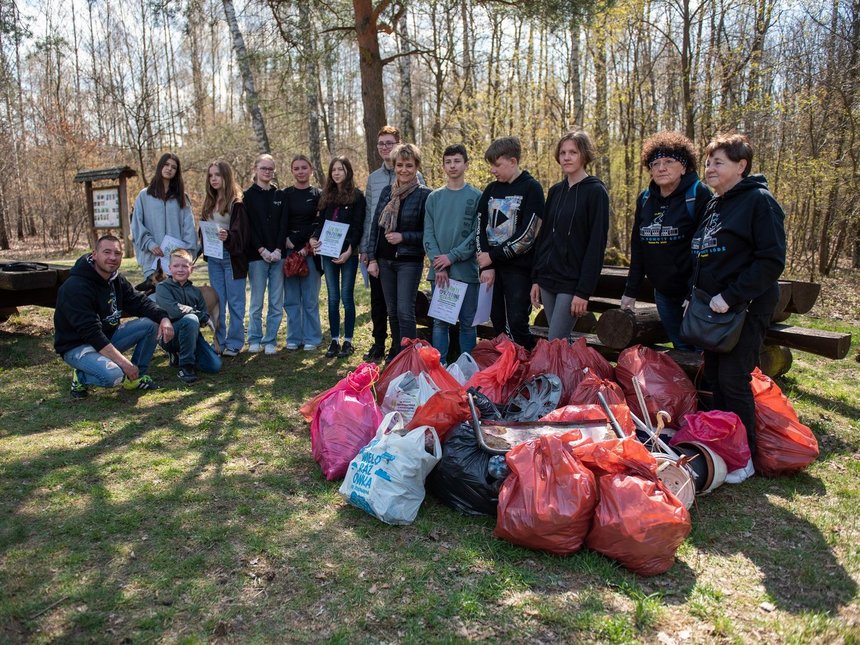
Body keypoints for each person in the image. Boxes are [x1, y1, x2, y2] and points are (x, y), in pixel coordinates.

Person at [692, 133, 786, 482]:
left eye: (718, 162)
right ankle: (723, 447)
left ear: (741, 166)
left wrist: (731, 296)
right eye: (708, 162)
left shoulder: (759, 201)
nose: (710, 168)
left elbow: (771, 260)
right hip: (713, 310)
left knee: (733, 379)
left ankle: (745, 458)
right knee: (716, 377)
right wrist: (694, 294)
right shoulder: (715, 204)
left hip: (745, 307)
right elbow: (705, 255)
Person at [621, 131, 712, 349]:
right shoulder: (645, 199)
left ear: (684, 167)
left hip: (694, 293)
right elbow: (638, 248)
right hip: (662, 292)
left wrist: (693, 292)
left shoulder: (698, 195)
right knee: (680, 347)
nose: (661, 168)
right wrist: (630, 291)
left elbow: (707, 251)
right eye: (655, 163)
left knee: (702, 350)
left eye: (669, 161)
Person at [54, 235, 174, 398]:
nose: (112, 257)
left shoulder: (116, 279)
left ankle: (135, 378)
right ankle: (81, 376)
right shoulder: (75, 287)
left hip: (106, 338)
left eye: (117, 253)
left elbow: (139, 302)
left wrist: (164, 318)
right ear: (94, 254)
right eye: (107, 252)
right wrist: (124, 363)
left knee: (151, 324)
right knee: (114, 375)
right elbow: (91, 333)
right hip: (77, 346)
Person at [531, 130, 609, 341]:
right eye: (563, 152)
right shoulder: (555, 191)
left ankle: (563, 365)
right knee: (560, 343)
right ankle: (570, 364)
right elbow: (544, 238)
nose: (566, 157)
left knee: (555, 340)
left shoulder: (596, 192)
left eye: (573, 152)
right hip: (547, 279)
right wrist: (536, 279)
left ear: (584, 155)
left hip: (572, 283)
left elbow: (596, 245)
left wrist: (583, 292)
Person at [360, 125, 425, 361]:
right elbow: (375, 224)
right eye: (400, 165)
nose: (404, 170)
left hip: (408, 260)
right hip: (384, 260)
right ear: (395, 166)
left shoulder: (424, 194)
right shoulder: (387, 191)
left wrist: (403, 237)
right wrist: (372, 257)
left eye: (409, 166)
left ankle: (410, 357)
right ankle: (397, 355)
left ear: (416, 167)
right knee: (392, 312)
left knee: (405, 311)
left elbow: (426, 234)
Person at [476, 136, 545, 350]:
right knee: (497, 322)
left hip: (519, 270)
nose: (493, 170)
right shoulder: (490, 190)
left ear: (513, 162)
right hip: (492, 270)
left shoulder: (532, 189)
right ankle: (504, 365)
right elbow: (479, 227)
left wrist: (493, 256)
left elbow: (528, 235)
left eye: (497, 165)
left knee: (516, 322)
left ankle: (524, 362)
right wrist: (486, 265)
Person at [423, 143, 482, 362]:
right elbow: (428, 234)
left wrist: (452, 257)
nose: (452, 166)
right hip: (440, 273)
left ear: (466, 164)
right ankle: (440, 366)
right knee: (440, 323)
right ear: (443, 166)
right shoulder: (434, 198)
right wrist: (439, 264)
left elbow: (476, 234)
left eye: (457, 161)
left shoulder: (477, 196)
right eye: (448, 162)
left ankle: (467, 368)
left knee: (468, 323)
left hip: (466, 271)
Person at [310, 156, 366, 359]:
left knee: (346, 297)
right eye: (333, 170)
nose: (336, 173)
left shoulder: (357, 196)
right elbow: (320, 224)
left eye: (340, 169)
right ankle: (334, 340)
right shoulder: (326, 195)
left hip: (348, 253)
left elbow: (358, 226)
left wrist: (350, 250)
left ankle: (348, 341)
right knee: (333, 298)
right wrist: (313, 238)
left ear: (348, 171)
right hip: (328, 252)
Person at [199, 159, 249, 357]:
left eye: (217, 175)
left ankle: (235, 342)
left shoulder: (236, 202)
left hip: (232, 258)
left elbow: (242, 234)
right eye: (210, 175)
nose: (213, 179)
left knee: (236, 302)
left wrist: (228, 236)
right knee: (217, 303)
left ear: (226, 176)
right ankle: (219, 343)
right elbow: (203, 229)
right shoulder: (209, 201)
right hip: (214, 258)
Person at [155, 249, 222, 383]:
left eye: (185, 266)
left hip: (192, 335)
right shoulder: (162, 287)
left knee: (214, 366)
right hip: (169, 336)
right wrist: (195, 313)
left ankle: (183, 355)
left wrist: (195, 313)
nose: (180, 269)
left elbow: (205, 317)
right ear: (169, 268)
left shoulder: (196, 291)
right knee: (191, 319)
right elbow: (174, 311)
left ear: (191, 269)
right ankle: (186, 367)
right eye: (176, 266)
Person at [245, 154, 288, 355]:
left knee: (276, 302)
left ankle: (270, 339)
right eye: (264, 168)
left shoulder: (280, 195)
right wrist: (261, 249)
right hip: (256, 256)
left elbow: (283, 224)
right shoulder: (247, 196)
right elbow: (248, 227)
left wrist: (278, 249)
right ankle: (254, 338)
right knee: (256, 302)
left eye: (271, 169)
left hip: (278, 256)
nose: (267, 172)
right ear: (255, 169)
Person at [131, 153, 198, 279]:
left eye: (174, 167)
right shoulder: (144, 196)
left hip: (177, 263)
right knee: (154, 292)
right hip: (152, 259)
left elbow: (189, 228)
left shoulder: (182, 197)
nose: (169, 169)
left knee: (176, 292)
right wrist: (149, 244)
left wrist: (187, 254)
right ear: (160, 166)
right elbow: (137, 225)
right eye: (166, 165)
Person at [283, 155, 323, 351]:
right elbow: (280, 221)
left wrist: (303, 243)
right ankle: (294, 337)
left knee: (310, 298)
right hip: (289, 251)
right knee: (291, 298)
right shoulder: (285, 194)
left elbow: (318, 222)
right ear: (292, 171)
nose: (300, 171)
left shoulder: (319, 194)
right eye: (296, 168)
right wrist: (287, 240)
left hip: (310, 251)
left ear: (311, 170)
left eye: (304, 168)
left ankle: (312, 337)